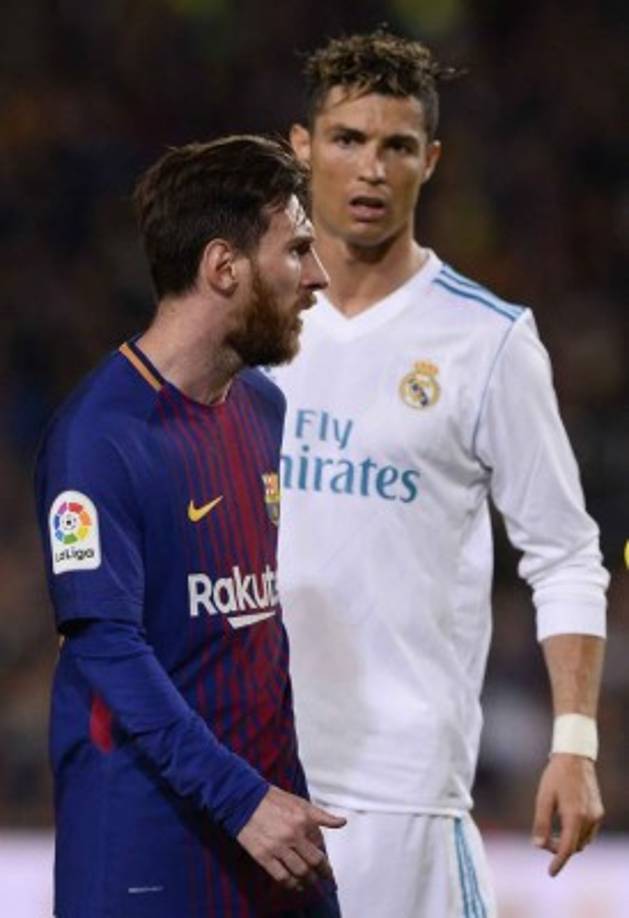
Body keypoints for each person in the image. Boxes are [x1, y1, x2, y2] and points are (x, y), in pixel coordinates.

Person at [270, 30, 609, 917]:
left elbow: (564, 555)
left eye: (396, 146)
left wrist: (573, 742)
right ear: (302, 147)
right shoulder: (245, 329)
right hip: (245, 776)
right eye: (347, 139)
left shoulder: (485, 340)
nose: (370, 169)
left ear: (431, 161)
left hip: (401, 793)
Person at [34, 135, 345, 918]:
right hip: (147, 849)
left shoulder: (262, 408)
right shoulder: (99, 437)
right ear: (223, 266)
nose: (317, 275)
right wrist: (240, 798)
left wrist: (274, 796)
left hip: (271, 835)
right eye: (296, 248)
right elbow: (106, 645)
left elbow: (251, 635)